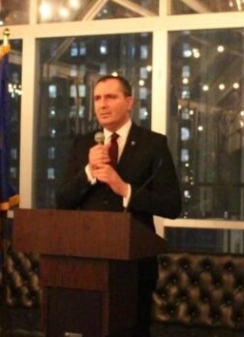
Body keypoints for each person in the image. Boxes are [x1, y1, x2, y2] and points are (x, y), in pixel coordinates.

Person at [56, 74, 182, 337]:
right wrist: (89, 171)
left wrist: (125, 189)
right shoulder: (82, 144)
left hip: (134, 266)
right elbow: (63, 200)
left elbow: (172, 205)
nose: (102, 104)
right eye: (97, 98)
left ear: (129, 102)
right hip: (88, 262)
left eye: (110, 97)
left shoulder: (153, 144)